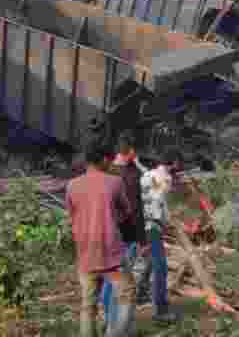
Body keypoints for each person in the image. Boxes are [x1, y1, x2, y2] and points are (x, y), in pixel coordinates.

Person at [67, 143, 137, 337]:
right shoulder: (114, 182)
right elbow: (126, 211)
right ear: (105, 160)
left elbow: (72, 216)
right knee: (126, 294)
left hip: (86, 252)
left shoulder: (72, 185)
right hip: (111, 253)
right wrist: (111, 219)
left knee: (88, 306)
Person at [100, 131, 147, 330]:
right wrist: (142, 240)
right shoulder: (131, 175)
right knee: (122, 284)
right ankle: (114, 326)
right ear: (132, 151)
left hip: (105, 234)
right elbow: (136, 210)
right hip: (125, 235)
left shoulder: (105, 171)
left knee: (110, 278)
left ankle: (107, 315)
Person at [134, 156, 181, 323]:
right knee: (160, 266)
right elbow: (159, 201)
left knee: (150, 261)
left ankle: (139, 294)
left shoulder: (147, 175)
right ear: (174, 163)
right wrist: (165, 221)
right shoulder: (165, 177)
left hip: (143, 224)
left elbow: (150, 198)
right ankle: (160, 310)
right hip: (152, 225)